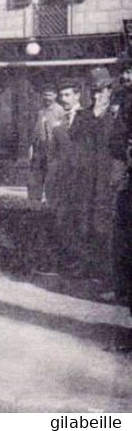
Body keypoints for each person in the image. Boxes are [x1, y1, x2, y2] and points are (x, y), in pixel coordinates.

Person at [68, 66, 117, 285]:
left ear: (110, 90)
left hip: (109, 177)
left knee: (106, 222)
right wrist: (94, 116)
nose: (97, 95)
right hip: (87, 178)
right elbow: (74, 135)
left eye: (102, 90)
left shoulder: (118, 115)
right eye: (94, 91)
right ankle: (86, 264)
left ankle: (107, 270)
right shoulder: (83, 115)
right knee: (85, 220)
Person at [45, 77, 84, 271]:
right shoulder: (58, 124)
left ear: (77, 95)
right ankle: (66, 261)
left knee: (80, 221)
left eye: (68, 94)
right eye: (61, 95)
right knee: (62, 220)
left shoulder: (87, 118)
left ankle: (81, 263)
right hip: (62, 180)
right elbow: (53, 155)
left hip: (82, 179)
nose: (64, 99)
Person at [110, 56, 132, 312]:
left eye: (130, 71)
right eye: (124, 71)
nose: (126, 77)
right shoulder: (124, 100)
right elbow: (117, 141)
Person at [28, 83, 64, 203]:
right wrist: (32, 146)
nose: (47, 98)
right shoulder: (40, 111)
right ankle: (34, 201)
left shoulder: (59, 110)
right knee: (36, 175)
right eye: (45, 95)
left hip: (53, 147)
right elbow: (36, 130)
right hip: (39, 147)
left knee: (52, 176)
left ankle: (51, 202)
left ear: (55, 96)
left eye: (50, 95)